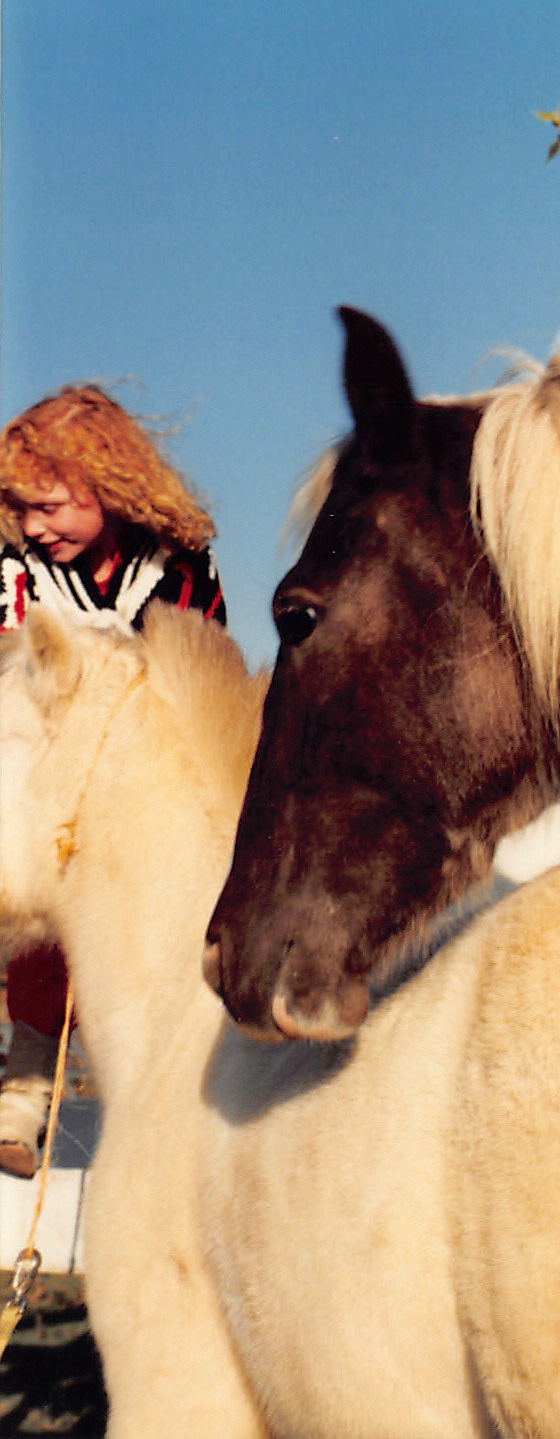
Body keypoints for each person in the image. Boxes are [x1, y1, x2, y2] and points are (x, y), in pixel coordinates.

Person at [0, 384, 226, 1177]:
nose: (34, 526)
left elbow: (200, 680)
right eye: (21, 509)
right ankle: (28, 1075)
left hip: (136, 773)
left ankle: (164, 1086)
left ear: (108, 484)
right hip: (39, 767)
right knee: (40, 881)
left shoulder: (179, 567)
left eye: (48, 506)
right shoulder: (14, 570)